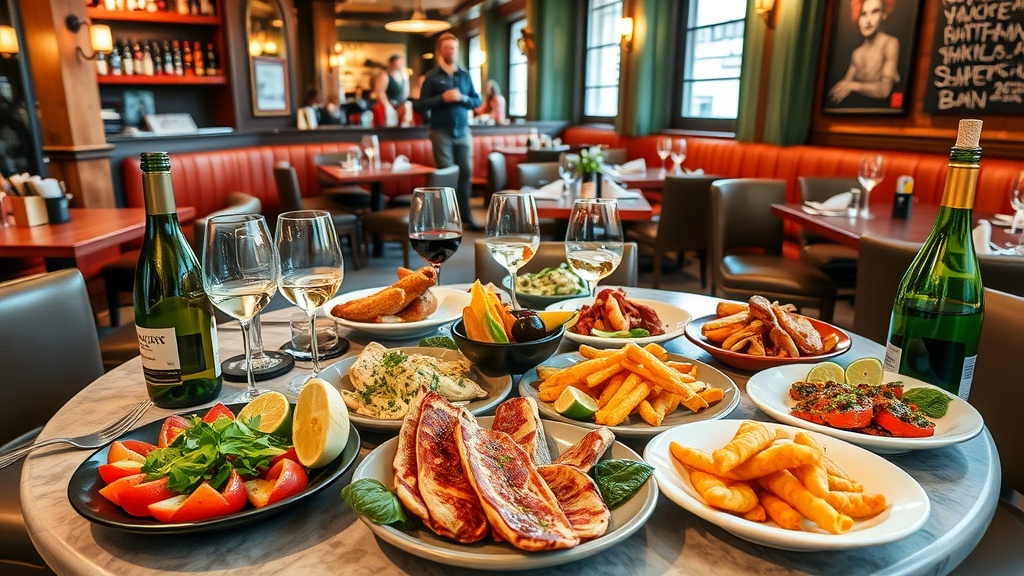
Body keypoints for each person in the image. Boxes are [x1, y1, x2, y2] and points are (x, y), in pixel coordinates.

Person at [415, 33, 483, 231]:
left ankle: (466, 216)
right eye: (447, 48)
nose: (451, 51)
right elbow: (420, 105)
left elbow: (477, 101)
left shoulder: (465, 75)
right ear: (440, 51)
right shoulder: (431, 77)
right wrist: (441, 99)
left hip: (463, 132)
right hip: (440, 132)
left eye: (454, 48)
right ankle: (448, 221)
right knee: (448, 176)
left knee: (466, 173)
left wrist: (462, 98)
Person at [828, 0, 900, 106]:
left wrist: (854, 86)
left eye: (875, 12)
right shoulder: (857, 53)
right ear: (857, 17)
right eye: (863, 14)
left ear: (884, 14)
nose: (868, 20)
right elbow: (841, 88)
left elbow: (884, 90)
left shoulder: (890, 43)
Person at [373, 54, 408, 127]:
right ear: (392, 63)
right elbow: (380, 91)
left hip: (401, 106)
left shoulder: (402, 75)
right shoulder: (385, 75)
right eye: (398, 62)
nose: (400, 65)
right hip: (389, 106)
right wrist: (388, 106)